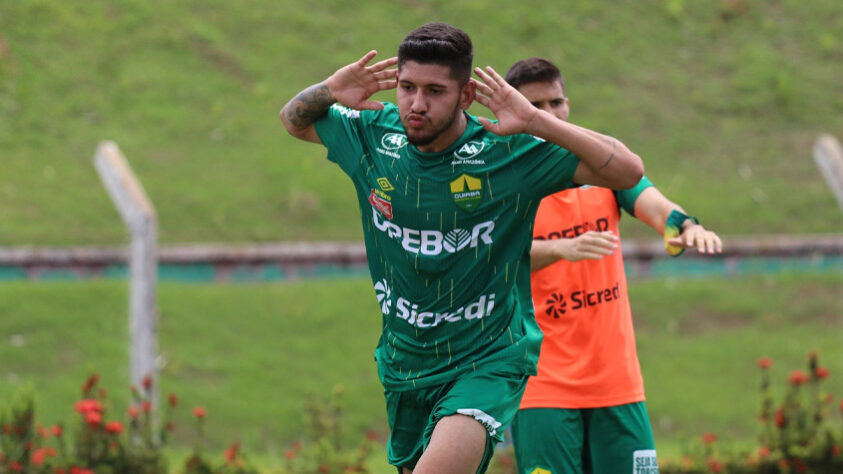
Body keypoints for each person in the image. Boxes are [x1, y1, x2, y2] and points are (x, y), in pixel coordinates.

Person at [280, 23, 644, 474]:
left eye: (435, 91)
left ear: (466, 95)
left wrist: (536, 121)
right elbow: (294, 120)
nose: (417, 104)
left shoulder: (507, 151)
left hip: (488, 359)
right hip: (406, 362)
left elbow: (628, 171)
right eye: (407, 88)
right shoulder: (375, 135)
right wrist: (330, 90)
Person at [504, 57, 723, 474]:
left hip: (616, 382)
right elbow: (491, 256)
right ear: (515, 111)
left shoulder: (602, 169)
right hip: (542, 384)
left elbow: (656, 205)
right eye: (536, 106)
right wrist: (562, 248)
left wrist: (685, 224)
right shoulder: (505, 178)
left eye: (556, 103)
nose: (550, 116)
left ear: (568, 103)